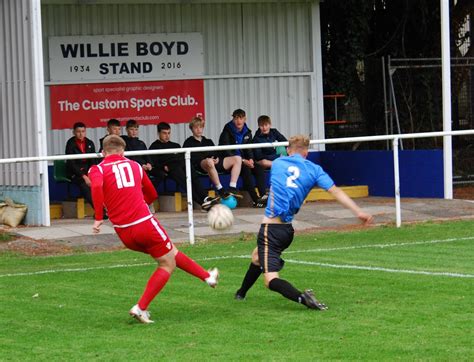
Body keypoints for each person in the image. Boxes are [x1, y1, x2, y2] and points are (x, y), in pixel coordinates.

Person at [89, 135, 219, 324]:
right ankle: (141, 308)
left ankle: (207, 277)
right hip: (144, 223)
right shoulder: (135, 166)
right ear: (123, 152)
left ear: (103, 152)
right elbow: (152, 193)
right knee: (167, 263)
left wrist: (99, 217)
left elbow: (97, 186)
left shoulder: (97, 168)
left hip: (124, 233)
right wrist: (141, 204)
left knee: (169, 253)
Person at [234, 135, 373, 309]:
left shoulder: (278, 163)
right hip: (287, 231)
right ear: (306, 153)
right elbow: (335, 191)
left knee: (270, 280)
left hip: (271, 230)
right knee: (257, 257)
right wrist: (358, 211)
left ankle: (304, 298)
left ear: (287, 150)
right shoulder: (315, 170)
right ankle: (241, 293)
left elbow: (264, 164)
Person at [149, 122, 219, 211]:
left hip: (181, 166)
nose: (167, 136)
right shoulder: (154, 147)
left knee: (192, 173)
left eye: (169, 133)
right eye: (164, 133)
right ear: (158, 133)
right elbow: (154, 164)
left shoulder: (175, 145)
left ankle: (205, 197)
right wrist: (164, 167)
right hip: (170, 169)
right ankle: (202, 202)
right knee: (185, 181)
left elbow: (182, 157)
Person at [183, 116, 242, 199]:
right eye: (196, 127)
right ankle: (220, 189)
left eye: (201, 127)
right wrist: (208, 159)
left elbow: (216, 153)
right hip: (200, 165)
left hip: (214, 162)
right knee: (209, 162)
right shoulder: (188, 142)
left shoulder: (208, 141)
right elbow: (191, 158)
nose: (199, 130)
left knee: (237, 159)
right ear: (192, 129)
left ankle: (232, 187)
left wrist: (217, 158)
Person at [218, 109, 268, 207]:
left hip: (244, 161)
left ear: (245, 119)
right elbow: (226, 151)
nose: (238, 121)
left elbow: (249, 149)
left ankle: (262, 196)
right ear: (233, 119)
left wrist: (251, 159)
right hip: (231, 162)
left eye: (241, 118)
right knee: (246, 170)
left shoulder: (247, 132)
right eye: (236, 118)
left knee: (258, 168)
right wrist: (243, 161)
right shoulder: (227, 131)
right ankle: (255, 199)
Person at [64, 122, 97, 207]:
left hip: (88, 171)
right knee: (84, 185)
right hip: (75, 173)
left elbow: (93, 161)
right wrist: (84, 176)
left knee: (98, 183)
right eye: (78, 131)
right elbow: (71, 163)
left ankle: (107, 208)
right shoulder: (70, 143)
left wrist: (91, 174)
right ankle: (99, 211)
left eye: (83, 131)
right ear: (74, 132)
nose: (81, 134)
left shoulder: (90, 143)